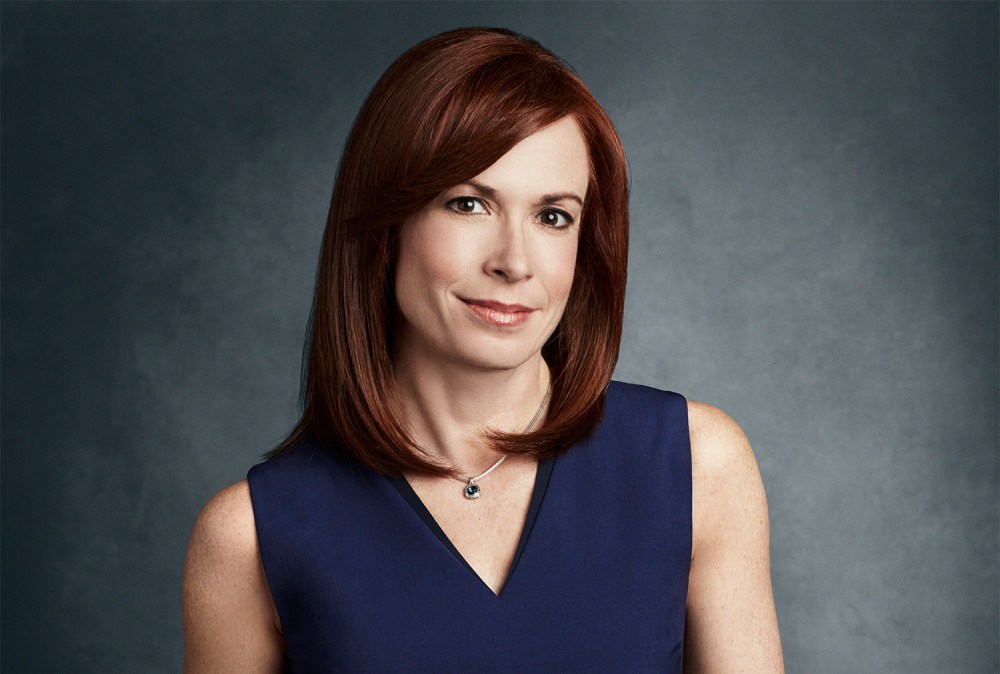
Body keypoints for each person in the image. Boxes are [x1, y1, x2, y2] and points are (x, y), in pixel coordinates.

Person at [182, 27, 783, 672]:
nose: (514, 262)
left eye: (553, 216)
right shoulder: (248, 537)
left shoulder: (697, 466)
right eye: (468, 204)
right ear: (387, 227)